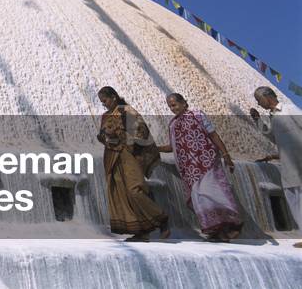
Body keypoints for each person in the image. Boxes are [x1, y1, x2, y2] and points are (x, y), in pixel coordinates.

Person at [156, 93, 241, 242]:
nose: (172, 108)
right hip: (190, 170)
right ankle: (216, 231)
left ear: (184, 102)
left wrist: (226, 155)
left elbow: (213, 135)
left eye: (174, 104)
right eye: (170, 106)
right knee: (200, 199)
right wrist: (156, 148)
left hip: (207, 163)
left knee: (214, 194)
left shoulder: (197, 114)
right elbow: (173, 146)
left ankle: (234, 225)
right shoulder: (173, 125)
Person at [97, 86, 169, 242]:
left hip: (128, 155)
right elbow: (102, 136)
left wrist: (118, 134)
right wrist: (104, 136)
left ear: (114, 96)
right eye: (102, 102)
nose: (104, 104)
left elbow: (141, 133)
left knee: (135, 190)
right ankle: (141, 231)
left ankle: (162, 219)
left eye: (106, 100)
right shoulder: (105, 116)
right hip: (111, 157)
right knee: (122, 193)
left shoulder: (126, 111)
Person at [250, 86, 302, 248]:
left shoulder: (289, 109)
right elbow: (273, 137)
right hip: (288, 162)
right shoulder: (272, 116)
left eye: (259, 100)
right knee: (294, 196)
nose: (259, 104)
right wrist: (258, 120)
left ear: (267, 96)